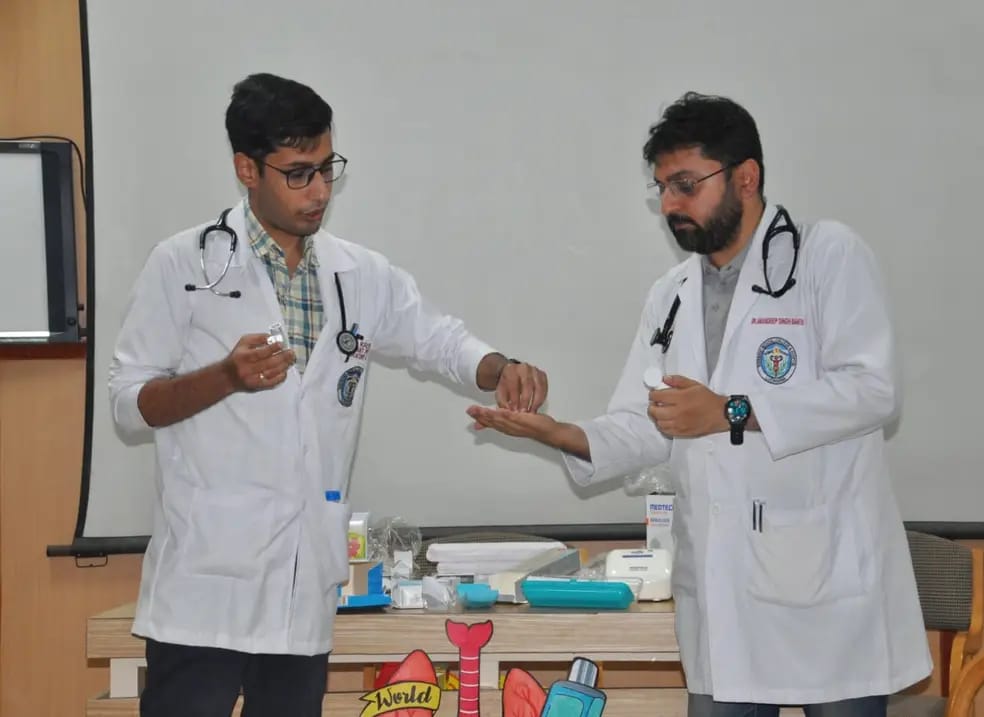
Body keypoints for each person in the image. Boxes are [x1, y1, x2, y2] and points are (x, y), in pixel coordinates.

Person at [467, 92, 931, 716]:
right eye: (661, 188)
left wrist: (732, 411)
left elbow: (873, 390)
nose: (669, 205)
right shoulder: (672, 295)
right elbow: (649, 423)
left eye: (685, 185)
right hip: (721, 594)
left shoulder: (827, 256)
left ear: (746, 177)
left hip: (826, 593)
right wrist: (561, 434)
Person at [109, 72, 548, 717]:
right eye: (298, 174)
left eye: (326, 169)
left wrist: (498, 367)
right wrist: (224, 377)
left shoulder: (358, 273)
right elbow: (128, 403)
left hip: (302, 590)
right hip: (205, 592)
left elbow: (436, 339)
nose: (319, 191)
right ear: (246, 169)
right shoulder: (183, 266)